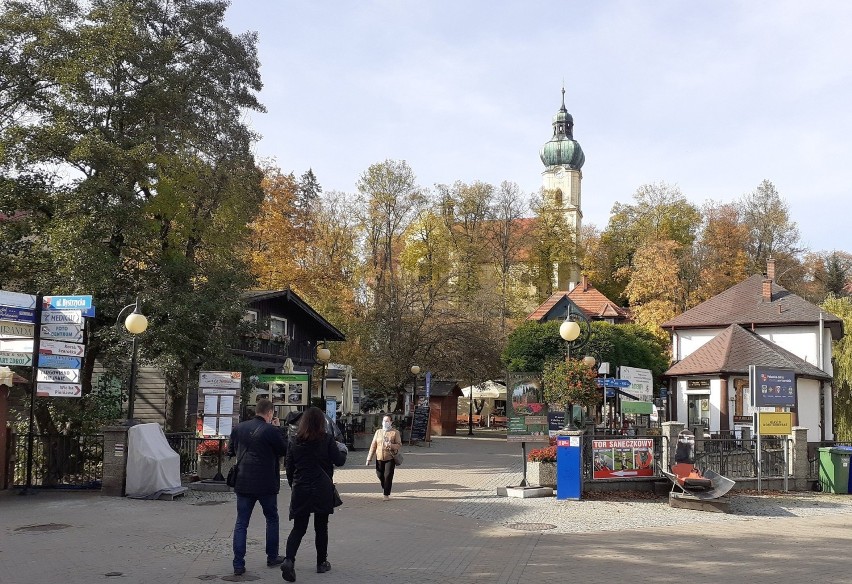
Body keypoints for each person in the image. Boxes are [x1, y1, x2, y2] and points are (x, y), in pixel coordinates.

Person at [281, 407, 347, 582]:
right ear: (321, 423)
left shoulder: (294, 441)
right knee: (321, 526)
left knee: (299, 527)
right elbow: (339, 461)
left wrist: (293, 485)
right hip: (322, 488)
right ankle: (321, 562)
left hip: (301, 487)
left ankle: (289, 560)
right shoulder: (326, 439)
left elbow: (289, 467)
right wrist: (343, 449)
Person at [227, 398, 288, 576]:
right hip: (266, 483)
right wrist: (278, 429)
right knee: (272, 518)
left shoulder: (238, 428)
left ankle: (238, 564)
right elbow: (284, 449)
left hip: (243, 482)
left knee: (241, 523)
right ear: (270, 413)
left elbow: (230, 451)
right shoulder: (271, 430)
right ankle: (272, 556)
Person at [365, 415, 402, 500]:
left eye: (387, 421)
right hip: (379, 457)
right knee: (379, 474)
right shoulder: (378, 432)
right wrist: (369, 458)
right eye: (384, 421)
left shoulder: (395, 432)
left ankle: (386, 494)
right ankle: (385, 486)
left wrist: (391, 445)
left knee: (388, 475)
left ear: (391, 422)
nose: (385, 423)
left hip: (390, 457)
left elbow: (399, 445)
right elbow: (373, 445)